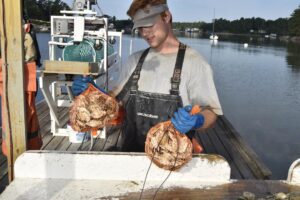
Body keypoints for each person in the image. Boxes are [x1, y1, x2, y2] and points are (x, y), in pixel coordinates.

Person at [72, 0, 223, 152]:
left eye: (149, 24)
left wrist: (198, 120)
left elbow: (211, 112)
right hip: (131, 153)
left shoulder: (195, 63)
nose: (144, 33)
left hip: (171, 159)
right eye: (140, 28)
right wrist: (91, 93)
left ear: (166, 16)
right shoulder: (135, 61)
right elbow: (115, 103)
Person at [0, 21, 42, 156]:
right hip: (15, 77)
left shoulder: (26, 35)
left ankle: (25, 147)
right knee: (18, 113)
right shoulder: (26, 34)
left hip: (21, 76)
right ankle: (23, 148)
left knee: (26, 112)